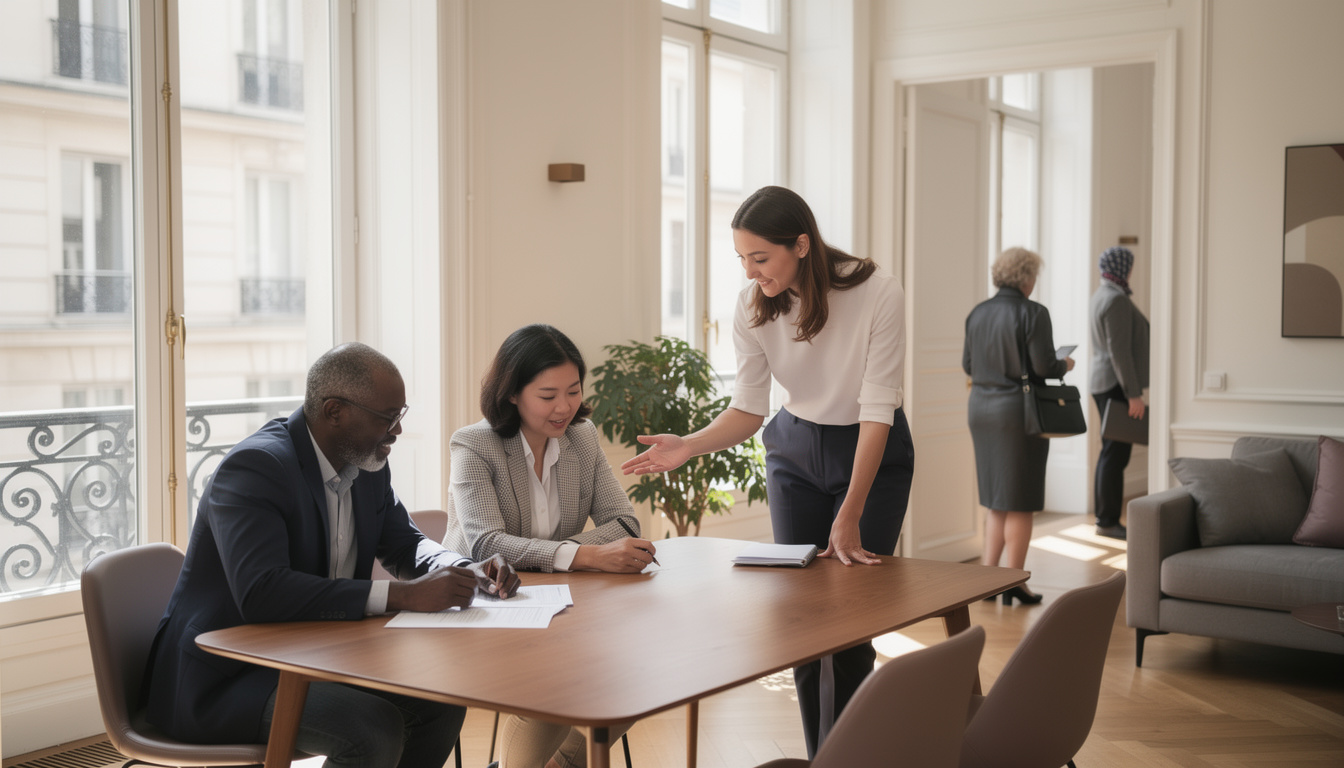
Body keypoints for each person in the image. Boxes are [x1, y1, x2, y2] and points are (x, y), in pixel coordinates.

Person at [620, 185, 914, 758]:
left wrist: (851, 511)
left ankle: (852, 757)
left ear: (801, 244)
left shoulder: (878, 291)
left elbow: (877, 409)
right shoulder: (754, 305)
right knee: (802, 621)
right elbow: (749, 409)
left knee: (851, 623)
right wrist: (690, 445)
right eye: (742, 260)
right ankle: (818, 756)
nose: (752, 272)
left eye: (761, 258)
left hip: (871, 449)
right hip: (794, 453)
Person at [144, 342, 520, 768]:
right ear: (334, 410)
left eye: (401, 413)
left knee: (440, 703)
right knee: (371, 729)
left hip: (312, 657)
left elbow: (404, 543)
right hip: (226, 677)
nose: (397, 429)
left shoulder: (366, 464)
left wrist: (461, 566)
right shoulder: (255, 467)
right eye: (387, 417)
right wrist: (403, 596)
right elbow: (262, 591)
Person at [444, 323, 651, 768]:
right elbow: (486, 545)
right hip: (485, 604)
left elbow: (624, 521)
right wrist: (585, 554)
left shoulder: (582, 437)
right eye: (548, 395)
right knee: (560, 679)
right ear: (513, 394)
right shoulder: (474, 445)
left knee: (642, 670)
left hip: (562, 607)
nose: (564, 407)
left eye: (573, 391)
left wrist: (561, 556)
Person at [963, 247, 1074, 606]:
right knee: (1021, 500)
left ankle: (985, 578)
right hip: (1018, 413)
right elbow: (1044, 367)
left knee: (997, 499)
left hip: (981, 408)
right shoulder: (1034, 313)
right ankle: (1013, 580)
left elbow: (968, 364)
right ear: (1027, 278)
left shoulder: (977, 313)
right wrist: (1065, 364)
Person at [1089, 246, 1149, 540]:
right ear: (1122, 268)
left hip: (1103, 382)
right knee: (1114, 454)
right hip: (1115, 385)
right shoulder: (1116, 300)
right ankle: (1108, 520)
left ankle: (1106, 518)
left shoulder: (1101, 295)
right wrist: (1133, 393)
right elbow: (1119, 351)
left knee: (1110, 452)